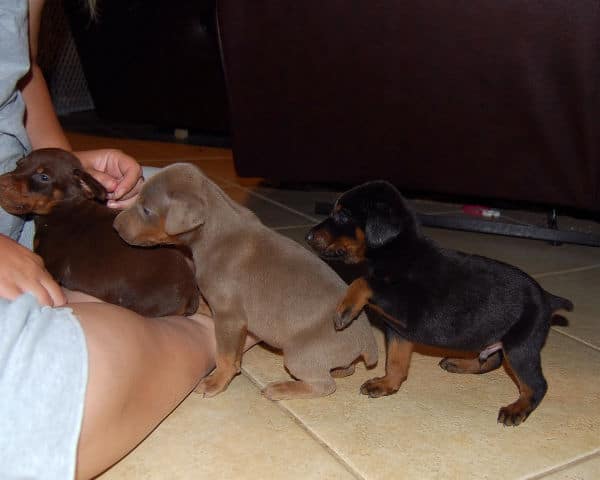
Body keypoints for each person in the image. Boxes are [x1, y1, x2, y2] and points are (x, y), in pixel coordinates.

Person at [0, 0, 253, 478]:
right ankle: (203, 334)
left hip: (27, 182)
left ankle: (191, 314)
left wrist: (70, 162)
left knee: (192, 194)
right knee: (34, 405)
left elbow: (24, 70)